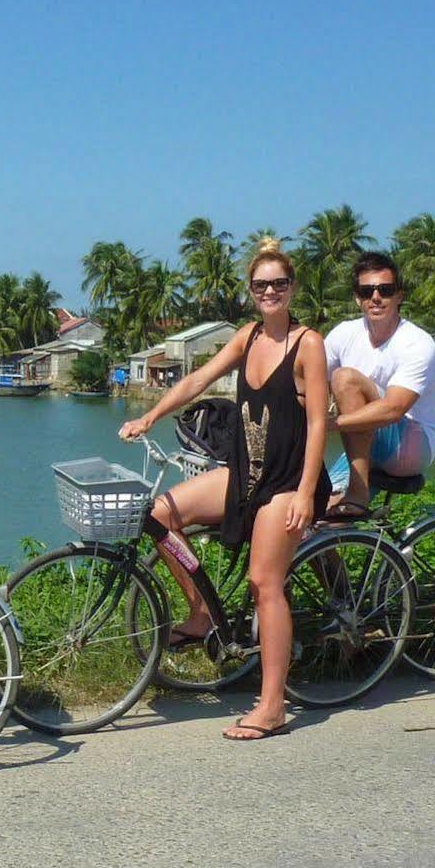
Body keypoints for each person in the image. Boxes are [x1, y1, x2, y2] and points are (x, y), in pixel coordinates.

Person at [119, 239, 330, 741]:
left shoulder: (309, 344)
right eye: (262, 285)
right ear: (251, 291)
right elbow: (197, 380)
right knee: (162, 513)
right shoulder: (248, 337)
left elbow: (320, 423)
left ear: (293, 287)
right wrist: (151, 415)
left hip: (288, 480)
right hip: (246, 473)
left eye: (280, 283)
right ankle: (201, 613)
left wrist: (304, 493)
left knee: (264, 584)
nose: (271, 291)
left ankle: (274, 704)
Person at [322, 250, 435, 517]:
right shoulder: (344, 333)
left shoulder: (417, 342)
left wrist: (327, 425)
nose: (376, 298)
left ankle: (358, 493)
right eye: (367, 292)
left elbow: (393, 409)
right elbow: (310, 378)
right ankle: (333, 560)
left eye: (385, 290)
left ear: (399, 296)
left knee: (345, 378)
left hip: (411, 445)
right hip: (365, 442)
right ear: (358, 299)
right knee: (312, 513)